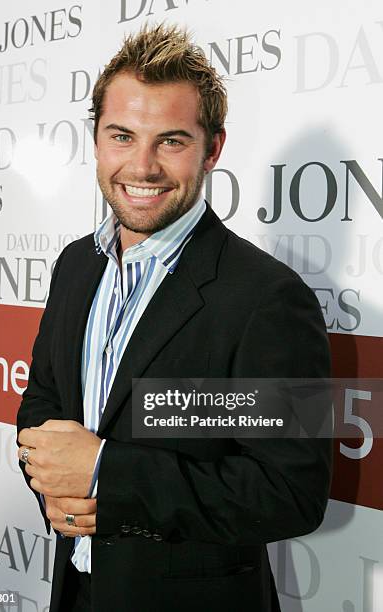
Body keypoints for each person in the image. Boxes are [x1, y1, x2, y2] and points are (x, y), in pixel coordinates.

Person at [17, 23, 332, 612]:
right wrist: (53, 487)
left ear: (212, 149)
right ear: (96, 140)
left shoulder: (270, 299)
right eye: (121, 136)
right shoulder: (74, 267)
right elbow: (43, 399)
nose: (141, 167)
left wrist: (108, 474)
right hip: (76, 591)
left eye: (171, 141)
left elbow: (292, 493)